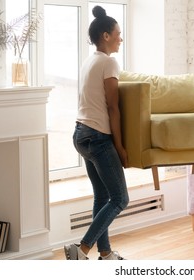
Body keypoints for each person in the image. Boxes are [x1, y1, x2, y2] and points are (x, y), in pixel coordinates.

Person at [63, 5, 128, 260]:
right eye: (118, 33)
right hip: (98, 138)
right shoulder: (109, 62)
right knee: (120, 198)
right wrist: (121, 147)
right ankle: (82, 249)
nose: (120, 38)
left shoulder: (90, 61)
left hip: (80, 135)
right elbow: (113, 108)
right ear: (106, 35)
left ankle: (106, 253)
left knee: (102, 197)